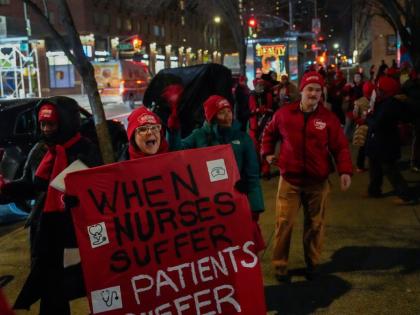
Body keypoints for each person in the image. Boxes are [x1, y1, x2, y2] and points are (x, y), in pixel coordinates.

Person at [6, 97, 101, 314]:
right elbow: (31, 185)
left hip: (73, 231)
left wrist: (79, 198)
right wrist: (6, 187)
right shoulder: (41, 150)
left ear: (66, 123)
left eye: (52, 124)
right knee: (50, 287)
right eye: (43, 124)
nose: (47, 129)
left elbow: (98, 189)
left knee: (73, 283)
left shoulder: (86, 149)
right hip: (45, 229)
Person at [261, 71, 353, 282]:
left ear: (322, 93)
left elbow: (340, 148)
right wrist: (266, 154)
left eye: (318, 90)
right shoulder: (283, 114)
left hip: (317, 183)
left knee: (315, 225)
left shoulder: (328, 119)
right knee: (284, 224)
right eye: (310, 89)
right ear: (301, 90)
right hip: (289, 181)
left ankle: (312, 263)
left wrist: (345, 171)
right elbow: (268, 134)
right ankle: (280, 265)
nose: (313, 94)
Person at [167, 94, 265, 252]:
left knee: (241, 247)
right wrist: (173, 130)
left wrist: (255, 207)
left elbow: (253, 174)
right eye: (221, 112)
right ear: (212, 117)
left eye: (229, 111)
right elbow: (176, 152)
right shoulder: (199, 136)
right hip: (208, 204)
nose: (227, 116)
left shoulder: (243, 138)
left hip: (235, 201)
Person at [365, 76, 417, 204]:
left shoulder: (389, 105)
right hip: (379, 142)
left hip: (385, 142)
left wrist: (367, 118)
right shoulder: (385, 102)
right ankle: (374, 190)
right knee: (375, 165)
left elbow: (377, 123)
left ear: (385, 91)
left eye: (379, 88)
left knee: (390, 169)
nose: (376, 90)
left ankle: (406, 196)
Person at [249, 78, 274, 179]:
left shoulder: (268, 96)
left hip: (265, 125)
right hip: (254, 127)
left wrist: (267, 111)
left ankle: (266, 171)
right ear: (255, 86)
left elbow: (273, 109)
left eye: (262, 85)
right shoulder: (251, 96)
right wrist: (256, 111)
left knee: (265, 149)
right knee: (254, 151)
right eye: (259, 85)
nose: (261, 87)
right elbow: (247, 111)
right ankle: (257, 171)